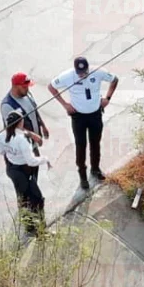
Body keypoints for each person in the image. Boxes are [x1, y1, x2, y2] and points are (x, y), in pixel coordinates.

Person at [48, 56, 117, 191]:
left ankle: (95, 169)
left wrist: (107, 98)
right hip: (78, 116)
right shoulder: (67, 76)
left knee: (95, 143)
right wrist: (65, 105)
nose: (83, 75)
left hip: (95, 114)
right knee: (81, 146)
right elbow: (51, 87)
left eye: (85, 72)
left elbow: (114, 80)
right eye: (80, 73)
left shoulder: (98, 72)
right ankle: (83, 176)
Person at [0, 111, 50, 237]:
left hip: (12, 170)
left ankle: (29, 226)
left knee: (23, 199)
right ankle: (41, 230)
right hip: (23, 171)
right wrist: (45, 159)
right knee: (37, 199)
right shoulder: (22, 139)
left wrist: (11, 152)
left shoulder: (2, 136)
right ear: (20, 122)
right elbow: (31, 161)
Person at [0, 72, 49, 153]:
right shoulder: (7, 105)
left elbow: (34, 110)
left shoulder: (27, 94)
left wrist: (43, 126)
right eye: (24, 87)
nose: (27, 89)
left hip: (32, 143)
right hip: (20, 148)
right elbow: (14, 128)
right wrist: (33, 136)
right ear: (15, 87)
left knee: (35, 163)